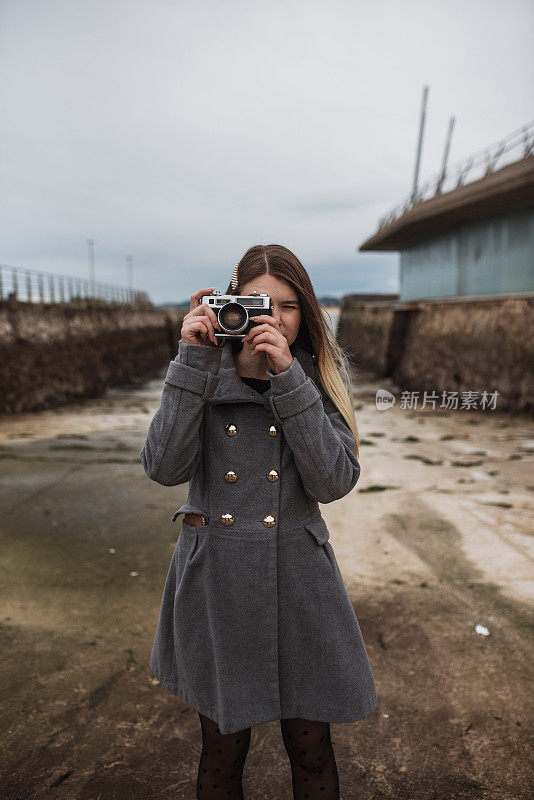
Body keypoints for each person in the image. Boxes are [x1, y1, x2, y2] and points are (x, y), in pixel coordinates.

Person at [140, 243, 378, 799]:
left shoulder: (314, 383)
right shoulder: (199, 375)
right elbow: (162, 466)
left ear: (306, 316)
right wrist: (191, 359)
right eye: (255, 304)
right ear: (228, 308)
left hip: (299, 583)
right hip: (218, 582)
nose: (271, 317)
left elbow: (333, 482)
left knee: (312, 747)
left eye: (287, 306)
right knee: (223, 753)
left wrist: (288, 376)